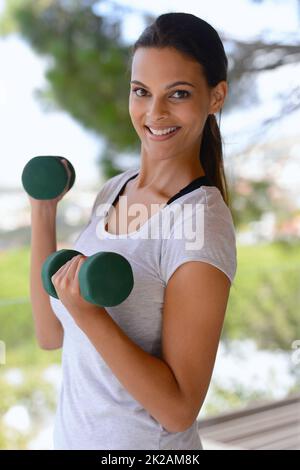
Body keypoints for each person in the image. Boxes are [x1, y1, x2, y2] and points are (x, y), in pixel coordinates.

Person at [29, 12, 237, 450]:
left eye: (177, 94)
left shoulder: (200, 223)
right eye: (141, 91)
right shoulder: (115, 191)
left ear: (216, 97)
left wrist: (91, 315)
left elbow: (179, 408)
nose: (154, 113)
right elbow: (52, 334)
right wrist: (43, 212)